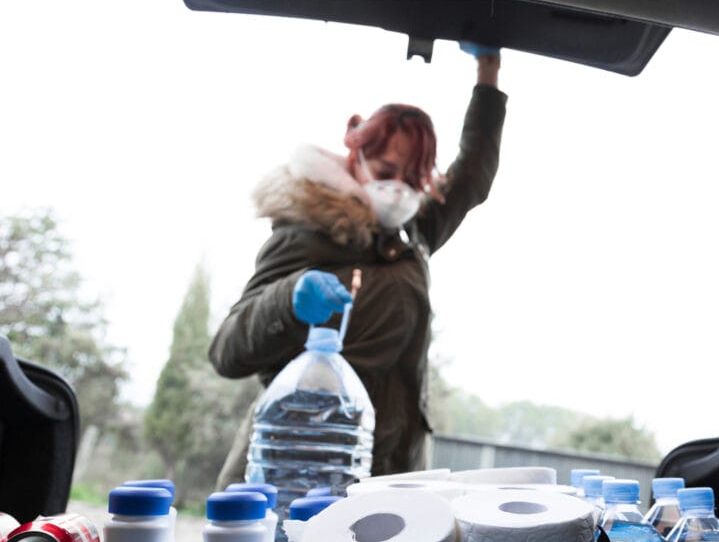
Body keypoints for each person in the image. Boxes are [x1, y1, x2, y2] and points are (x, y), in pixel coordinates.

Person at [210, 43, 507, 490]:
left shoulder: (411, 235)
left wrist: (488, 72)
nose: (399, 191)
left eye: (413, 180)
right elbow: (227, 351)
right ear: (355, 155)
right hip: (297, 466)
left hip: (390, 474)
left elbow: (470, 178)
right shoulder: (308, 228)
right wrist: (288, 297)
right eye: (386, 171)